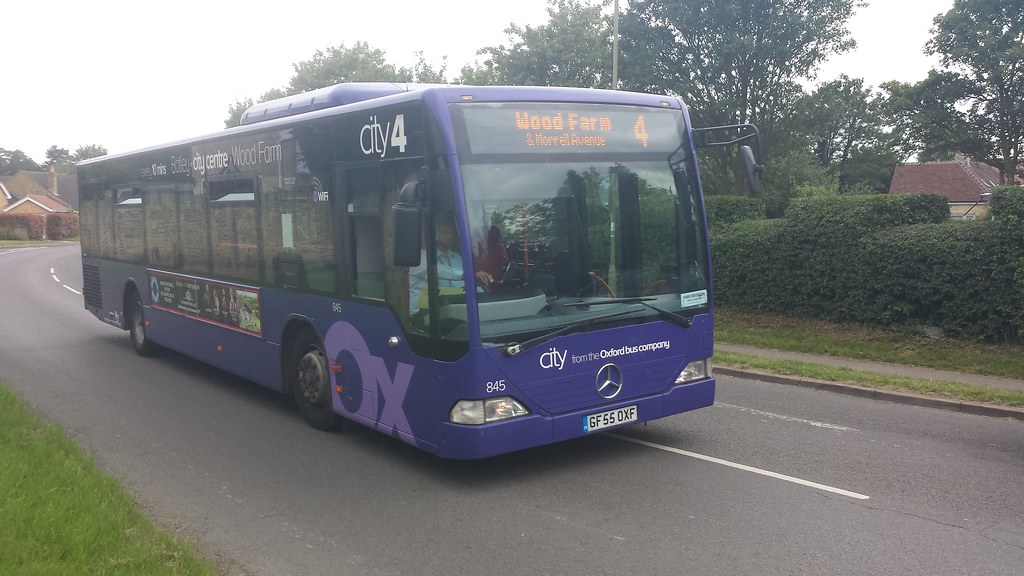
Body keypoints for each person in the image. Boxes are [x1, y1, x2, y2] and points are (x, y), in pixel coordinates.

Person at [408, 217, 493, 315]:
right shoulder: (420, 258)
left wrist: (485, 296)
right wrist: (469, 275)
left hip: (451, 309)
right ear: (435, 235)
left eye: (452, 233)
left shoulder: (458, 258)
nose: (450, 236)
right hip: (424, 314)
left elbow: (464, 284)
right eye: (445, 232)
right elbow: (439, 271)